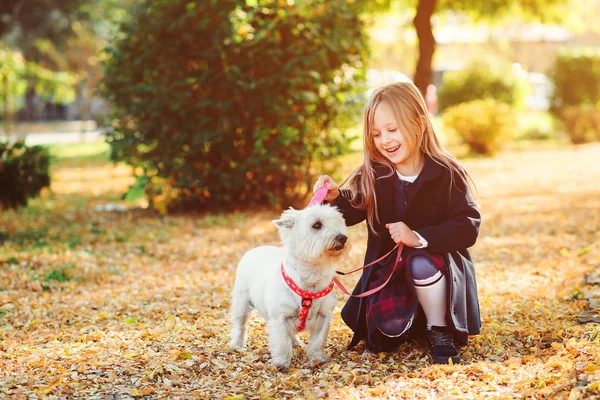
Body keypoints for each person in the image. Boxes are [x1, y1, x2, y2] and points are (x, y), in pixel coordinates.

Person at [313, 81, 481, 364]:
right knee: (384, 336)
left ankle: (438, 327)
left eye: (393, 129)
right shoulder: (376, 174)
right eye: (377, 134)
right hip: (389, 275)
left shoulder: (447, 173)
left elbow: (468, 226)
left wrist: (418, 237)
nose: (385, 140)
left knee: (421, 262)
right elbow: (353, 208)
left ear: (419, 123)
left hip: (434, 270)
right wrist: (334, 196)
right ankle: (412, 319)